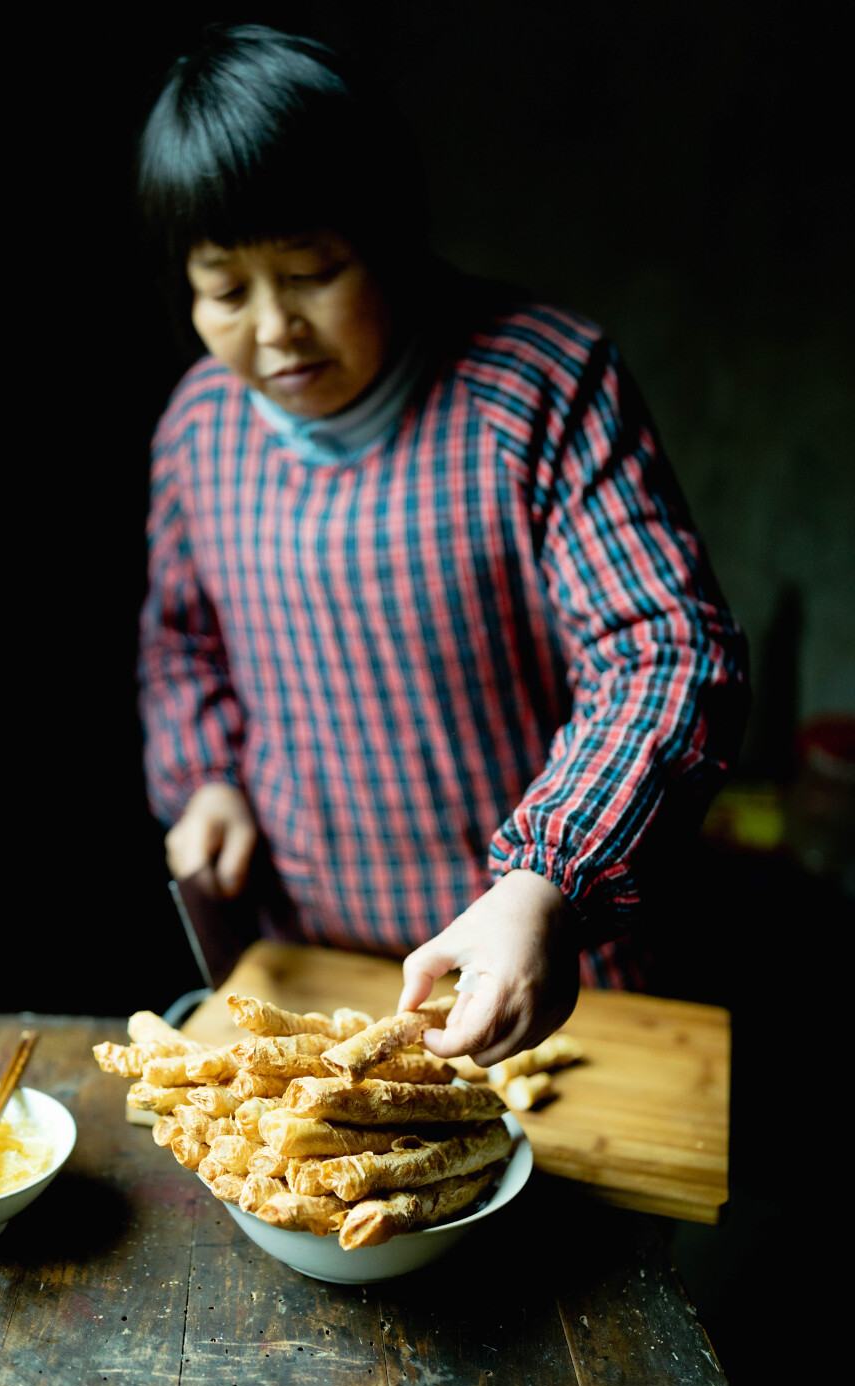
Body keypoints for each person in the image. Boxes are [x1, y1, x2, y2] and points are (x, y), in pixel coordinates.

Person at [136, 24, 748, 1065]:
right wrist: (208, 779)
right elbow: (180, 643)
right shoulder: (199, 427)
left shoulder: (540, 385)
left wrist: (547, 879)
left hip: (548, 968)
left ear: (392, 236)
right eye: (227, 291)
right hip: (315, 970)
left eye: (314, 271)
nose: (275, 328)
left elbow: (665, 651)